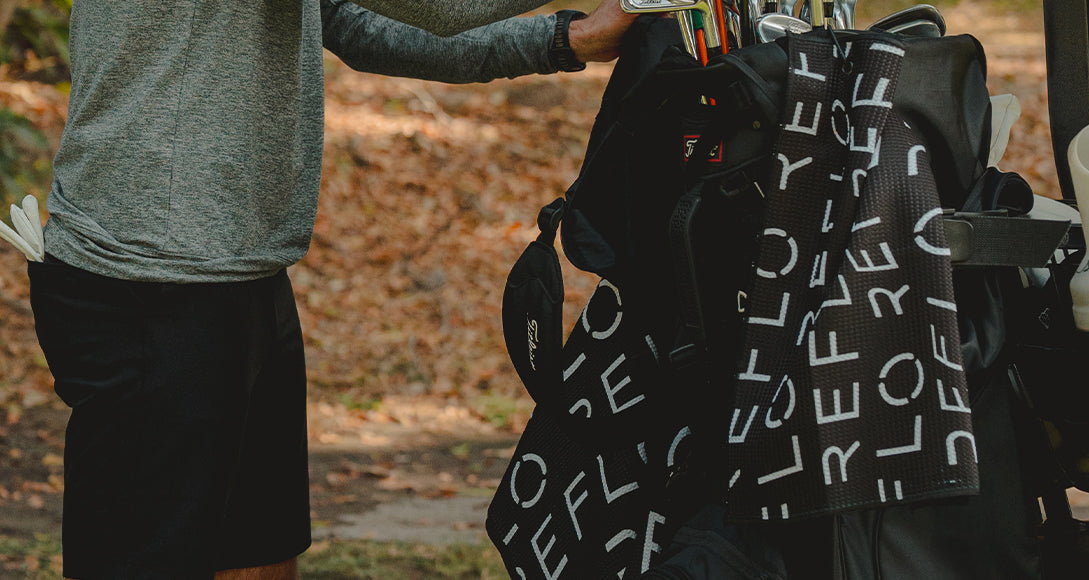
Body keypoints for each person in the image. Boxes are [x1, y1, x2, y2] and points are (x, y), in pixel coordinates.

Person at [26, 1, 637, 578]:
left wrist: (565, 39)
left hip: (240, 272)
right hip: (146, 280)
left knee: (260, 548)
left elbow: (363, 24)